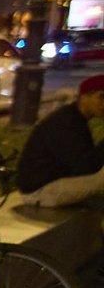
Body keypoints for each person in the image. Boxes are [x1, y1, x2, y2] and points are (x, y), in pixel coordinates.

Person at [16, 75, 104, 208]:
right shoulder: (66, 123)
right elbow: (86, 167)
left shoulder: (75, 118)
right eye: (101, 97)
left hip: (51, 183)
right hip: (40, 192)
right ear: (84, 96)